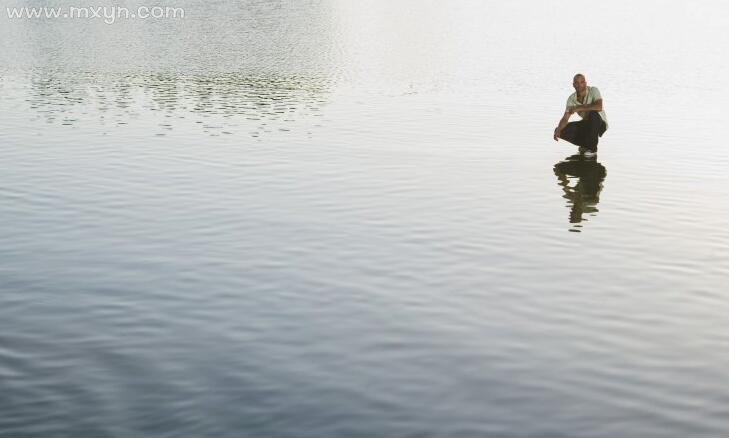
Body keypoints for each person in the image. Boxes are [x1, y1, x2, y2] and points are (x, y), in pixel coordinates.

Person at [553, 74, 608, 158]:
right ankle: (585, 144)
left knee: (593, 114)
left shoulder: (593, 90)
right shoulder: (571, 99)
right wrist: (558, 130)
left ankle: (592, 149)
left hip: (599, 123)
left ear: (585, 83)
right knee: (560, 130)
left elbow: (599, 107)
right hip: (587, 123)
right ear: (573, 85)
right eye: (577, 83)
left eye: (582, 82)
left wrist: (578, 108)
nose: (579, 85)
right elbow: (565, 118)